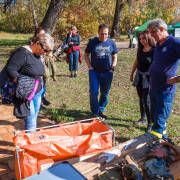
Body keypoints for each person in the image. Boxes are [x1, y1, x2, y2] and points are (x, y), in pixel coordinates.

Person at [6, 33, 54, 131]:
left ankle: (30, 141)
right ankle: (29, 145)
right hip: (27, 93)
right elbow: (10, 69)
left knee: (33, 119)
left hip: (37, 91)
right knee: (31, 121)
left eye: (47, 51)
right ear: (37, 43)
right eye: (44, 50)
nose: (45, 53)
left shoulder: (36, 53)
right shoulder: (22, 53)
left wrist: (39, 80)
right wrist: (23, 83)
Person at [147, 18, 180, 138]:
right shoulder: (158, 44)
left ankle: (155, 150)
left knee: (158, 125)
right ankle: (164, 144)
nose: (151, 35)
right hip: (154, 89)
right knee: (155, 120)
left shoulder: (174, 43)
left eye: (153, 32)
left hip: (165, 91)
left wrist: (179, 78)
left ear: (162, 29)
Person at [84, 24, 118, 118]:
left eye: (106, 34)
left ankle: (101, 109)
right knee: (94, 92)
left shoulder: (111, 43)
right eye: (102, 34)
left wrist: (112, 68)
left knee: (104, 93)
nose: (104, 36)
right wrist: (89, 66)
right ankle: (95, 111)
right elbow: (86, 54)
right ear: (98, 32)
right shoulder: (92, 42)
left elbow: (114, 56)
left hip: (107, 72)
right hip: (94, 72)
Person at [130, 30, 156, 133]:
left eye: (143, 38)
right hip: (139, 76)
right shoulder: (140, 49)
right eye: (140, 39)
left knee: (147, 100)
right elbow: (136, 61)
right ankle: (142, 119)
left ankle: (150, 124)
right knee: (141, 98)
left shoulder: (154, 50)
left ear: (148, 38)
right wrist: (132, 73)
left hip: (149, 78)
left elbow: (156, 66)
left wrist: (153, 80)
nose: (141, 41)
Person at [33, 27, 57, 106]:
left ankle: (43, 97)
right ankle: (38, 99)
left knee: (44, 80)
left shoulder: (43, 44)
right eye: (42, 34)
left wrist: (48, 54)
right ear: (37, 35)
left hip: (43, 64)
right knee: (40, 82)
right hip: (36, 67)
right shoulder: (33, 45)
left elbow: (46, 52)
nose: (44, 35)